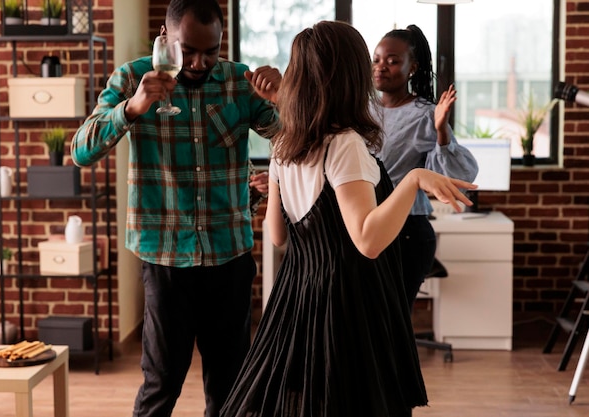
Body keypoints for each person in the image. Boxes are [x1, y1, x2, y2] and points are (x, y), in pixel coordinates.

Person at [220, 20, 476, 417]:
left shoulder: (284, 143)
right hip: (350, 301)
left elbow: (275, 235)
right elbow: (368, 241)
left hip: (299, 296)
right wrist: (415, 179)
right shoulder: (345, 145)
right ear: (350, 76)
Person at [70, 1, 280, 416]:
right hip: (165, 258)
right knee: (162, 380)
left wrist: (284, 95)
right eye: (189, 50)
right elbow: (80, 151)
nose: (200, 62)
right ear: (165, 39)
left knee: (231, 382)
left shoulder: (239, 82)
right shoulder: (132, 77)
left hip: (229, 254)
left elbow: (291, 137)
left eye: (211, 51)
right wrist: (131, 108)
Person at [371, 24, 478, 310]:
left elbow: (456, 176)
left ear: (412, 68)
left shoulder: (426, 115)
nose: (381, 67)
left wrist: (441, 130)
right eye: (377, 59)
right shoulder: (361, 109)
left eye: (393, 61)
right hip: (366, 223)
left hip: (406, 230)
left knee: (392, 322)